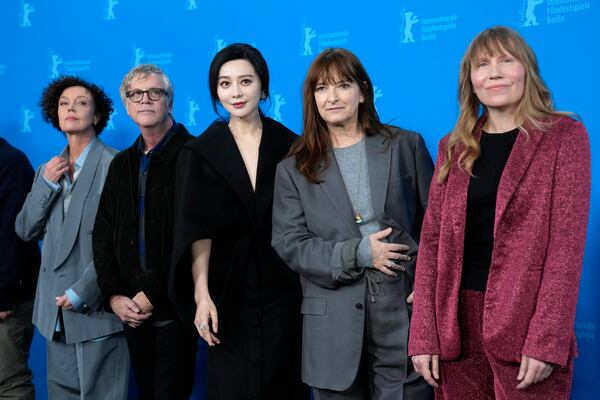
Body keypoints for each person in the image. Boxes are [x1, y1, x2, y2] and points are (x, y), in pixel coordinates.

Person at [409, 26, 591, 400]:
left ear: (526, 70)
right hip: (455, 326)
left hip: (525, 325)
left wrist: (546, 339)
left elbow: (565, 249)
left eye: (506, 61)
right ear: (470, 80)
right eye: (482, 64)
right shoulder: (453, 146)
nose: (494, 72)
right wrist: (424, 333)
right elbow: (432, 243)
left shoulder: (564, 137)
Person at [271, 48, 434, 400]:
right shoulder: (293, 168)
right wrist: (358, 253)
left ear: (362, 92)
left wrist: (430, 288)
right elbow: (289, 243)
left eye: (343, 85)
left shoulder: (406, 145)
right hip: (332, 326)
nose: (332, 97)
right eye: (321, 88)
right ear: (312, 99)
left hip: (403, 318)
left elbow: (436, 227)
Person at [170, 43, 308, 400]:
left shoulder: (292, 145)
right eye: (225, 83)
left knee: (285, 384)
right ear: (215, 91)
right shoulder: (200, 151)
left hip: (284, 286)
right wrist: (202, 296)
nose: (236, 92)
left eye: (246, 81)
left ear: (263, 88)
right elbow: (195, 232)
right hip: (226, 290)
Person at [15, 76, 128, 399]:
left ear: (97, 116)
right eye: (64, 103)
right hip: (53, 316)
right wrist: (45, 185)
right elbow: (25, 230)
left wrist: (82, 292)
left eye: (81, 103)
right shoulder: (47, 170)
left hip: (96, 312)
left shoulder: (116, 164)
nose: (71, 108)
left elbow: (122, 242)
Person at [93, 64, 197, 399]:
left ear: (170, 101)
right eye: (136, 94)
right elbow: (103, 234)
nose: (145, 100)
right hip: (131, 313)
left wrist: (153, 292)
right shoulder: (121, 164)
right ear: (126, 105)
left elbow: (195, 238)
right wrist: (113, 296)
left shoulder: (194, 155)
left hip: (177, 310)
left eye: (155, 92)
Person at [0, 138, 40, 400]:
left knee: (9, 384)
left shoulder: (10, 162)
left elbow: (13, 234)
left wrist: (3, 294)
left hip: (7, 300)